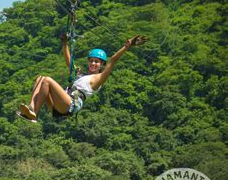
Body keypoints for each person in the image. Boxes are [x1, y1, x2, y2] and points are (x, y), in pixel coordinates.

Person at [17, 34, 146, 122]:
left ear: (101, 65)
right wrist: (64, 44)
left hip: (70, 105)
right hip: (59, 105)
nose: (93, 64)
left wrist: (126, 47)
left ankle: (34, 113)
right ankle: (32, 109)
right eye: (91, 61)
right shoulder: (80, 75)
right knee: (40, 78)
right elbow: (69, 62)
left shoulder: (98, 79)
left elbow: (112, 61)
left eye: (97, 62)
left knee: (47, 80)